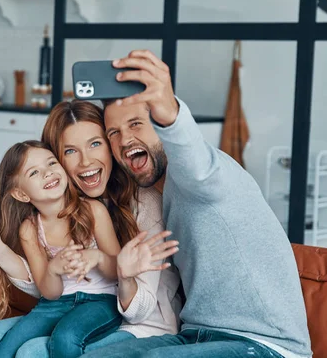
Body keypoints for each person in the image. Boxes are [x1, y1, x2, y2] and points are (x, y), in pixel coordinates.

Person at [80, 50, 313, 358]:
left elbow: (195, 161)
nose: (124, 140)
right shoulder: (152, 197)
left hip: (267, 344)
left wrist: (169, 112)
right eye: (114, 133)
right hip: (197, 336)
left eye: (136, 124)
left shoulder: (204, 174)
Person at [0, 100, 181, 357]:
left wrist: (108, 265)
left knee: (32, 351)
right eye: (70, 151)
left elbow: (138, 307)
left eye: (95, 143)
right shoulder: (52, 209)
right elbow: (50, 289)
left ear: (111, 146)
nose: (85, 161)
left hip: (141, 323)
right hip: (67, 308)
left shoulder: (142, 204)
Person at [0, 139, 123, 358]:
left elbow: (118, 271)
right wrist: (53, 269)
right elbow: (50, 293)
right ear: (21, 194)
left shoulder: (93, 210)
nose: (47, 173)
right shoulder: (30, 229)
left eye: (51, 163)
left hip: (101, 301)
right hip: (55, 304)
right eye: (34, 173)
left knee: (65, 337)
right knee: (6, 348)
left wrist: (98, 258)